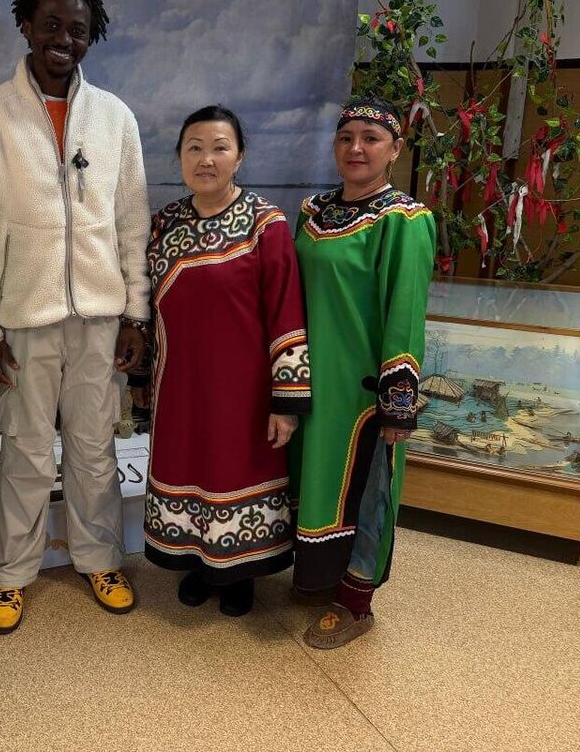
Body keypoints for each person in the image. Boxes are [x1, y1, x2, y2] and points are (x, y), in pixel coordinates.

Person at [0, 0, 151, 633]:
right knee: (26, 452)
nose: (64, 39)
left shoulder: (116, 118)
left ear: (92, 38)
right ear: (26, 28)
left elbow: (132, 222)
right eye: (52, 25)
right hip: (23, 320)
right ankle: (9, 574)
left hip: (100, 319)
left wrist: (135, 312)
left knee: (95, 449)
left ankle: (101, 558)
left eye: (78, 29)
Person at [136, 106, 310, 616]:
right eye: (194, 148)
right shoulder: (164, 224)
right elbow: (148, 306)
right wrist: (141, 377)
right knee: (190, 465)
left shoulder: (265, 224)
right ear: (179, 157)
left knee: (236, 469)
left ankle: (241, 573)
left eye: (219, 148)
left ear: (240, 157)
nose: (206, 159)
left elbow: (287, 311)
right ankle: (197, 564)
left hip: (244, 390)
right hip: (180, 385)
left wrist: (286, 400)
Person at [290, 96, 436, 649]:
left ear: (395, 149)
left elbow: (405, 312)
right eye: (346, 137)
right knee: (315, 481)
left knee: (366, 488)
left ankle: (355, 601)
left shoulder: (404, 220)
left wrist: (398, 403)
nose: (356, 148)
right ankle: (318, 575)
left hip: (362, 391)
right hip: (311, 380)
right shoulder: (313, 212)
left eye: (371, 139)